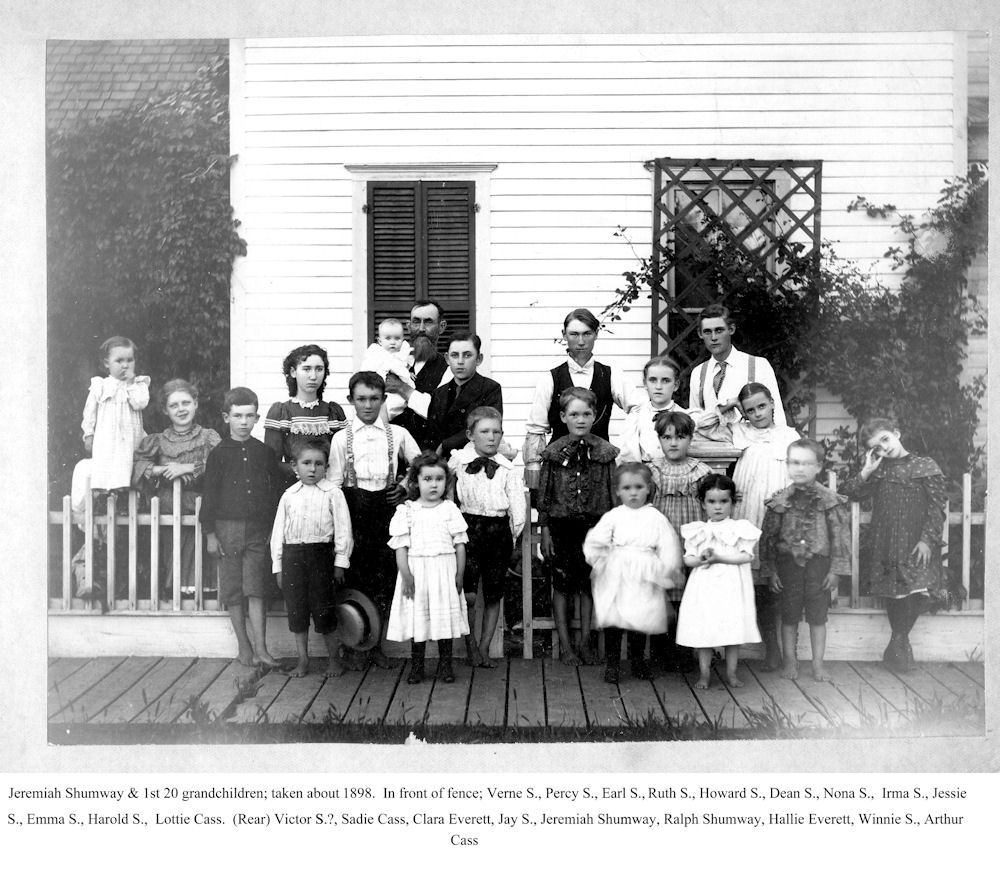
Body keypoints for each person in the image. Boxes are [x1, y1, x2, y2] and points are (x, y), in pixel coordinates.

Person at [328, 371, 421, 669]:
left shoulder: (399, 434)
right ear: (351, 400)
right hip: (354, 509)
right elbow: (334, 482)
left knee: (383, 578)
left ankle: (377, 645)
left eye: (374, 399)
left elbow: (421, 464)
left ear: (383, 399)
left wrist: (404, 486)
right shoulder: (341, 438)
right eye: (361, 399)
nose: (368, 405)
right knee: (356, 578)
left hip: (386, 509)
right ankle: (356, 646)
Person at [842, 417, 948, 672]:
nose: (884, 448)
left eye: (885, 439)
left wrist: (927, 540)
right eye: (876, 447)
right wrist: (867, 470)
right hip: (887, 543)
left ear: (897, 433)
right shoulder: (879, 471)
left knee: (921, 592)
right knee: (897, 594)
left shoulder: (924, 466)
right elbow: (850, 493)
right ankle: (899, 650)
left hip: (916, 543)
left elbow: (936, 508)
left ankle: (895, 645)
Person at [200, 387, 285, 671]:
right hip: (227, 530)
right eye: (237, 416)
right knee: (234, 590)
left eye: (249, 415)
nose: (244, 421)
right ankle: (244, 648)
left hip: (258, 530)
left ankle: (262, 649)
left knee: (256, 588)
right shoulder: (218, 454)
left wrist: (273, 527)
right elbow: (209, 496)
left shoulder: (264, 453)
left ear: (257, 418)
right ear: (227, 417)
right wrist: (210, 534)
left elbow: (275, 494)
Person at [537, 387, 619, 666]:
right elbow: (545, 496)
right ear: (563, 416)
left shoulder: (605, 452)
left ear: (595, 415)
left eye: (586, 414)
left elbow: (612, 493)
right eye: (574, 414)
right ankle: (566, 646)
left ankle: (585, 642)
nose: (580, 419)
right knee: (562, 585)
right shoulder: (553, 453)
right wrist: (545, 530)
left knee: (587, 585)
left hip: (595, 528)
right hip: (562, 526)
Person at [760, 439, 851, 682]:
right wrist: (771, 570)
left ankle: (818, 664)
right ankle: (790, 661)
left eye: (807, 463)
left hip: (818, 567)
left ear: (819, 466)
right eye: (795, 463)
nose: (800, 468)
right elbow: (768, 538)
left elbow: (840, 537)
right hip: (788, 566)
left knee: (818, 617)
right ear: (788, 465)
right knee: (788, 616)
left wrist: (836, 571)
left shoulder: (829, 500)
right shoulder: (780, 501)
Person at [584, 463, 682, 684]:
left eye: (639, 487)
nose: (633, 493)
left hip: (644, 572)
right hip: (618, 571)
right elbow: (596, 539)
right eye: (627, 488)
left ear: (648, 488)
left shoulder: (655, 517)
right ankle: (613, 664)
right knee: (615, 619)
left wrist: (667, 568)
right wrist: (600, 557)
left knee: (641, 618)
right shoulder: (614, 515)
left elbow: (668, 544)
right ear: (618, 491)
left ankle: (638, 661)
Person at [522, 307, 639, 484]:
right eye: (574, 334)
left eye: (587, 334)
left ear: (596, 334)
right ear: (564, 335)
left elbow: (639, 409)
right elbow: (536, 429)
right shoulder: (549, 379)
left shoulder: (611, 375)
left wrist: (627, 449)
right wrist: (535, 474)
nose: (581, 341)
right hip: (559, 468)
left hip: (599, 468)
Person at [449, 406, 526, 667]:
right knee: (468, 595)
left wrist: (512, 539)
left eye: (496, 432)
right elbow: (447, 493)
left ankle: (484, 648)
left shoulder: (507, 468)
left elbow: (518, 511)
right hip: (468, 529)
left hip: (497, 532)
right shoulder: (459, 462)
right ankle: (471, 645)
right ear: (470, 435)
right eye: (484, 431)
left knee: (493, 594)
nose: (491, 437)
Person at [271, 437, 354, 678]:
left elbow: (344, 530)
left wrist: (340, 563)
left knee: (324, 609)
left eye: (318, 464)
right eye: (306, 463)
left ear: (326, 466)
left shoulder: (333, 493)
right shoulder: (288, 495)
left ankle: (333, 661)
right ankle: (303, 660)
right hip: (293, 557)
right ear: (294, 466)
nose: (312, 469)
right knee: (297, 610)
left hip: (321, 556)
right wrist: (278, 567)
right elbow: (278, 534)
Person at [731, 382, 801, 669]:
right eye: (750, 410)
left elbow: (800, 471)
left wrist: (789, 497)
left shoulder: (789, 436)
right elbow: (704, 426)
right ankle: (771, 646)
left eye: (762, 406)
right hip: (748, 511)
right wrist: (730, 406)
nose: (757, 413)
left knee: (781, 576)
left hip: (780, 513)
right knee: (758, 580)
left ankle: (789, 650)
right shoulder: (738, 432)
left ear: (772, 403)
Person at [132, 379, 221, 598]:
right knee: (171, 557)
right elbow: (138, 466)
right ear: (165, 410)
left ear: (195, 404)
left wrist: (186, 468)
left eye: (186, 403)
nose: (181, 409)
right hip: (168, 510)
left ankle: (201, 596)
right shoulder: (158, 441)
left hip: (200, 509)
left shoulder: (208, 437)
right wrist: (163, 470)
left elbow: (222, 465)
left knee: (200, 561)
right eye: (174, 405)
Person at [386, 453, 470, 685]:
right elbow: (401, 548)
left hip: (444, 572)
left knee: (444, 619)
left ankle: (445, 666)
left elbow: (460, 545)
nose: (434, 485)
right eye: (428, 479)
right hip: (417, 573)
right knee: (418, 619)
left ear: (446, 482)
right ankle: (417, 667)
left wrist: (459, 575)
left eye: (439, 479)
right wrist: (407, 577)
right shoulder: (407, 510)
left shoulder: (450, 509)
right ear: (415, 482)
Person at [676, 473, 762, 690]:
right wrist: (701, 559)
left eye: (724, 501)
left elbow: (746, 556)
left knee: (732, 627)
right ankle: (704, 674)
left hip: (732, 586)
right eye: (712, 501)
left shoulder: (739, 528)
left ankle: (731, 673)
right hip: (705, 587)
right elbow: (688, 559)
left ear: (732, 502)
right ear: (703, 503)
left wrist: (719, 558)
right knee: (706, 627)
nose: (718, 507)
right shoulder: (698, 531)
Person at [648, 409, 713, 670]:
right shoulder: (652, 471)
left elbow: (711, 508)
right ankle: (660, 654)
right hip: (662, 546)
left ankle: (685, 652)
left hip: (690, 546)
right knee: (661, 598)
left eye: (680, 437)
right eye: (667, 437)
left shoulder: (700, 472)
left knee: (688, 599)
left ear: (690, 438)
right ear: (659, 440)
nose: (673, 443)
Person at [687, 304, 787, 428]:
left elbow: (777, 416)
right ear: (700, 334)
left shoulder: (758, 365)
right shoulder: (698, 373)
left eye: (719, 330)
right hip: (711, 439)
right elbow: (694, 422)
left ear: (731, 329)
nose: (713, 337)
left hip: (752, 438)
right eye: (707, 332)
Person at [264, 343, 348, 484]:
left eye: (319, 369)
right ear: (293, 372)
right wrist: (301, 472)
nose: (313, 376)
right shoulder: (281, 412)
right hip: (293, 485)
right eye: (306, 369)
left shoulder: (333, 412)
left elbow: (343, 456)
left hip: (329, 485)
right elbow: (272, 462)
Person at [81, 335, 150, 492]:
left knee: (129, 464)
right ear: (107, 363)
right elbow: (90, 412)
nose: (125, 365)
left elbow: (140, 403)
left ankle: (127, 495)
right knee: (107, 465)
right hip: (107, 437)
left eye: (129, 360)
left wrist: (131, 384)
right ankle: (106, 495)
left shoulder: (138, 385)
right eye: (119, 361)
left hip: (130, 436)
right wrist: (88, 434)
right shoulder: (101, 385)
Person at [385, 300, 452, 450]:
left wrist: (402, 388)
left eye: (428, 322)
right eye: (416, 322)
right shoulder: (394, 361)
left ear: (441, 327)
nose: (421, 328)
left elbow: (439, 413)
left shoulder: (449, 370)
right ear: (409, 326)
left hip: (428, 455)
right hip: (392, 452)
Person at [427, 332, 504, 458]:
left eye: (467, 355)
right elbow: (431, 434)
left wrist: (445, 445)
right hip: (441, 462)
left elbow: (487, 427)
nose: (460, 362)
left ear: (479, 359)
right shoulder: (439, 393)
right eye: (454, 355)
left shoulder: (490, 389)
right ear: (447, 359)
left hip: (476, 459)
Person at [617, 356, 693, 463]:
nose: (658, 386)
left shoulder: (687, 417)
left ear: (676, 385)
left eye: (665, 381)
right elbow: (627, 456)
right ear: (645, 384)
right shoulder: (636, 418)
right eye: (653, 380)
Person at [360, 317, 414, 423]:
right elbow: (367, 369)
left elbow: (402, 368)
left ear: (403, 340)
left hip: (398, 393)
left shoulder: (403, 354)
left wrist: (408, 373)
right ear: (380, 341)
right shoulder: (377, 353)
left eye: (397, 338)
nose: (393, 342)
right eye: (388, 338)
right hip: (381, 388)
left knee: (398, 404)